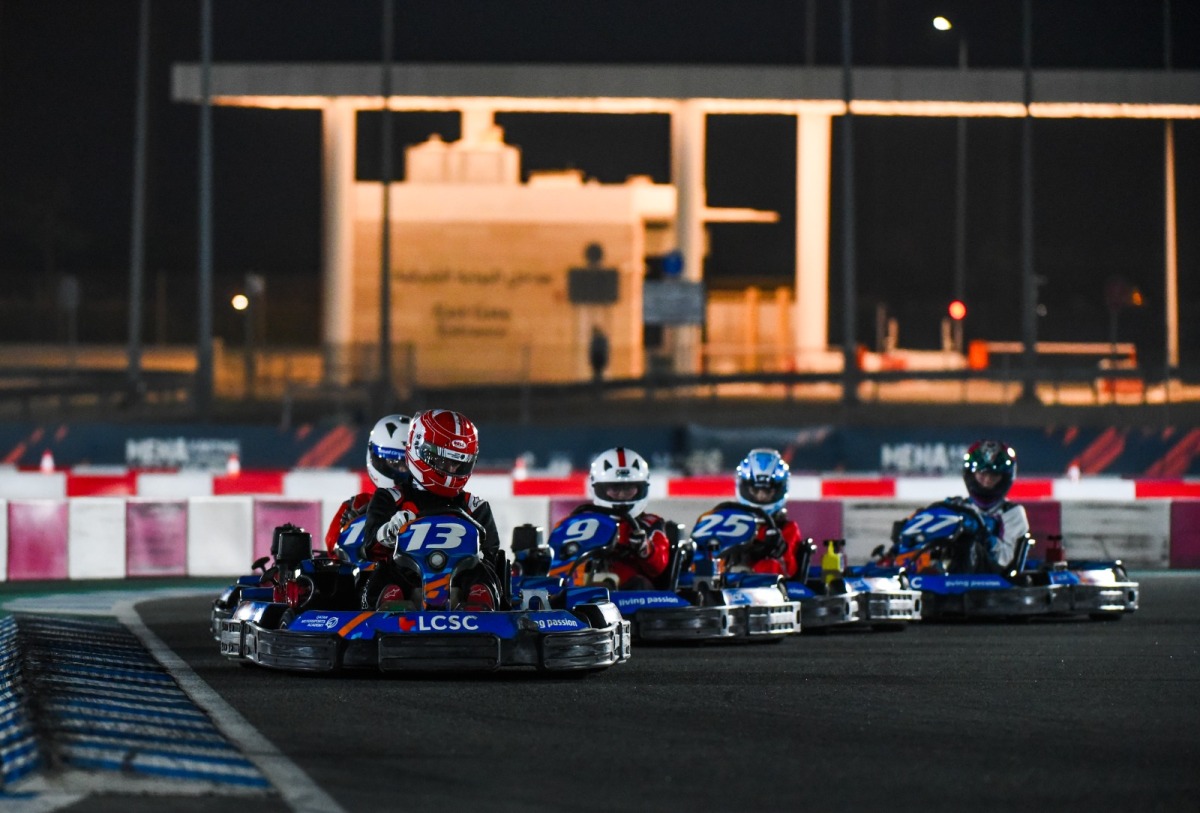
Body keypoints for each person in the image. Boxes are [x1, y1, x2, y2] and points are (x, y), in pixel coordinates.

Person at [359, 409, 502, 610]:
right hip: (407, 581)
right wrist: (388, 532)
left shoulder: (475, 507)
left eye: (458, 462)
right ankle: (391, 605)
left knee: (481, 572)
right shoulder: (389, 498)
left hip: (459, 585)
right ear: (419, 449)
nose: (452, 470)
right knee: (385, 571)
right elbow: (369, 549)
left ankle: (479, 603)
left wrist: (477, 553)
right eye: (443, 460)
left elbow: (492, 559)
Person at [559, 447, 672, 590]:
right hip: (583, 588)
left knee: (639, 584)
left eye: (629, 489)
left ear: (642, 488)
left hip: (630, 596)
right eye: (614, 489)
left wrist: (644, 548)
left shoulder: (650, 524)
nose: (621, 495)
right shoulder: (580, 522)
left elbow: (659, 567)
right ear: (599, 489)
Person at [322, 414, 410, 554]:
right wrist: (352, 528)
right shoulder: (356, 505)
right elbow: (334, 552)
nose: (401, 471)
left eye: (407, 465)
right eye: (394, 463)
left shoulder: (424, 503)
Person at [946, 439, 1030, 573]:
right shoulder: (956, 507)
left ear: (1005, 477)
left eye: (994, 474)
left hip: (993, 585)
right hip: (951, 578)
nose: (987, 480)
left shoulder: (1013, 513)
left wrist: (983, 535)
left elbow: (1005, 560)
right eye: (982, 473)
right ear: (972, 474)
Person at [728, 448, 804, 578]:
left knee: (768, 565)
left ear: (779, 490)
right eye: (755, 490)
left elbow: (788, 570)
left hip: (771, 591)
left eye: (767, 491)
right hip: (724, 587)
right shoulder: (730, 523)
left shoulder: (788, 528)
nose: (761, 496)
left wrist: (774, 548)